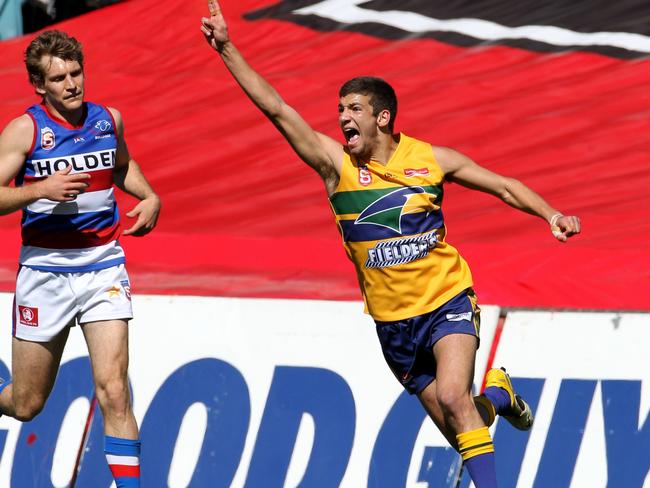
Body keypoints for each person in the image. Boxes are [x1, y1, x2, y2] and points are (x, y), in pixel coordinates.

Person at [201, 2, 581, 486]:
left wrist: (551, 214)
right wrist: (228, 49)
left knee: (452, 397)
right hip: (392, 325)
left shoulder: (432, 160)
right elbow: (276, 108)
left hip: (447, 300)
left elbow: (503, 184)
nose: (342, 118)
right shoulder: (334, 166)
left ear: (382, 117)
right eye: (339, 110)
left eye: (353, 109)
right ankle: (501, 398)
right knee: (466, 423)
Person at [0, 30, 160, 487]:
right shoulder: (25, 130)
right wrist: (38, 190)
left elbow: (122, 165)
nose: (72, 84)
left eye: (76, 73)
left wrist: (149, 196)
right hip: (44, 274)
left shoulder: (108, 119)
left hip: (103, 267)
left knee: (114, 390)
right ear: (39, 86)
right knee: (27, 404)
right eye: (59, 78)